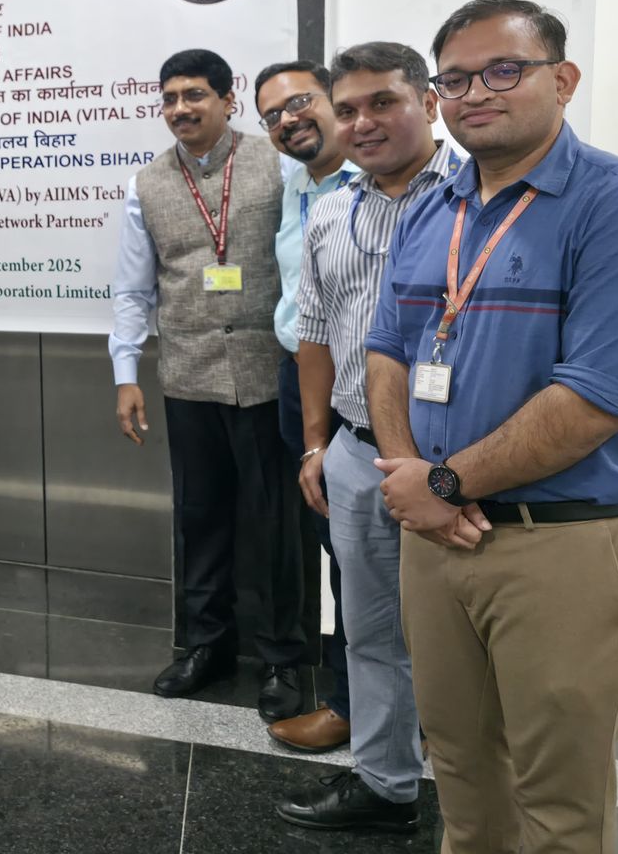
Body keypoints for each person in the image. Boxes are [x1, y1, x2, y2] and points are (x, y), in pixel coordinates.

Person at [367, 0, 618, 854]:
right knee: (462, 778)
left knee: (559, 806)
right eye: (456, 79)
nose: (476, 93)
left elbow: (595, 399)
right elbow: (387, 348)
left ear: (563, 79)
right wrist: (408, 478)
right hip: (439, 537)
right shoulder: (434, 208)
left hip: (568, 541)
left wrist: (442, 483)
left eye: (503, 70)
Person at [268, 43, 458, 831]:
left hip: (459, 464)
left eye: (383, 102)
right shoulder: (331, 211)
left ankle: (484, 797)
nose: (362, 123)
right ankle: (386, 786)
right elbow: (314, 333)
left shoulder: (480, 196)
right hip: (354, 451)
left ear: (430, 102)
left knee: (466, 637)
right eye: (347, 109)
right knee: (371, 630)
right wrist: (317, 444)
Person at [111, 49, 305, 720]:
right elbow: (133, 289)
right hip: (188, 377)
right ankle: (206, 645)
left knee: (276, 524)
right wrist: (126, 373)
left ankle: (283, 658)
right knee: (200, 519)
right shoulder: (146, 183)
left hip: (267, 375)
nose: (180, 109)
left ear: (228, 100)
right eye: (169, 98)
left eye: (194, 95)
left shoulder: (280, 165)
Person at [255, 60, 354, 754]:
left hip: (367, 386)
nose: (287, 121)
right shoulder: (296, 186)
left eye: (299, 103)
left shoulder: (381, 182)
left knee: (367, 555)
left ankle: (361, 705)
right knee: (338, 546)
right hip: (303, 379)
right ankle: (361, 700)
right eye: (272, 116)